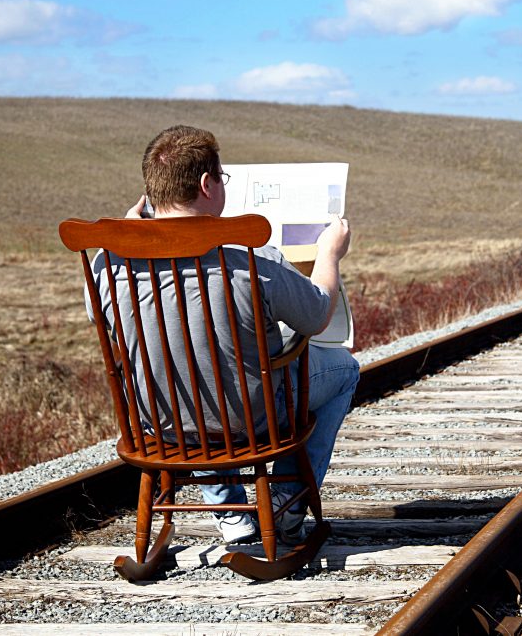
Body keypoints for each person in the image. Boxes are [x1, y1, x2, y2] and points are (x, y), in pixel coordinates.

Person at [88, 124, 358, 545]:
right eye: (221, 179)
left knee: (192, 378)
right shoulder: (251, 258)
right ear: (206, 184)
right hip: (250, 418)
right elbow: (317, 316)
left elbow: (96, 313)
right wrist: (329, 253)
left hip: (161, 421)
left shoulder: (109, 266)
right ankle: (289, 500)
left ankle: (231, 514)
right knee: (344, 369)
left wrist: (130, 234)